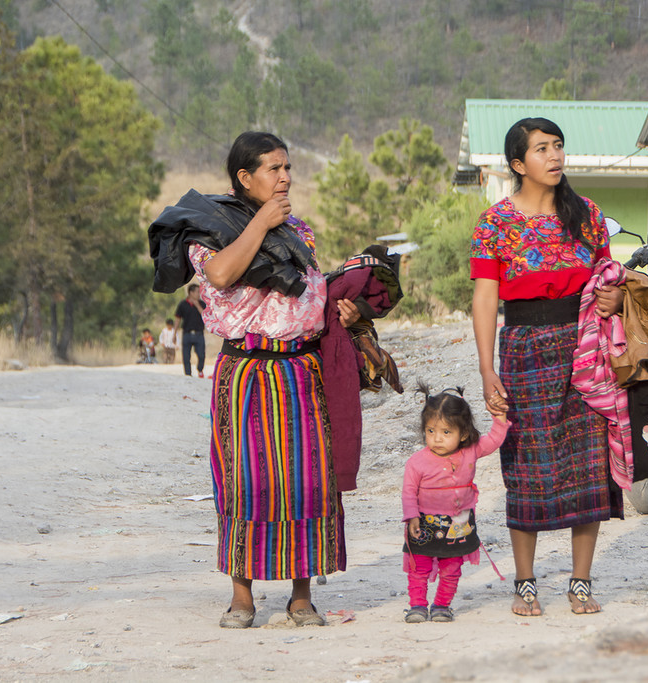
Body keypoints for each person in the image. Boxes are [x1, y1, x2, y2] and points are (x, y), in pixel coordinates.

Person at [176, 131, 359, 629]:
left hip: (301, 369)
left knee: (307, 481)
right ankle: (242, 597)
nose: (285, 177)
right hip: (247, 373)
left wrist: (345, 310)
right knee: (245, 481)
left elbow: (310, 299)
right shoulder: (208, 229)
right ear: (244, 177)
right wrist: (261, 223)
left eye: (287, 168)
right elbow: (219, 275)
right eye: (273, 169)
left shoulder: (298, 229)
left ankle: (301, 596)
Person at [470, 117, 625, 618]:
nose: (555, 156)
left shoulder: (588, 215)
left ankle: (580, 582)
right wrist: (486, 368)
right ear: (518, 164)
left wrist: (614, 296)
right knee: (527, 463)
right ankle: (525, 583)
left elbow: (609, 276)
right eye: (542, 149)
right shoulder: (495, 223)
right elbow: (485, 297)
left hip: (584, 349)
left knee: (589, 464)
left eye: (558, 146)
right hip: (524, 350)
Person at [401, 384, 508, 623]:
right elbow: (408, 492)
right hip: (424, 523)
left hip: (459, 523)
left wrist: (499, 418)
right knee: (419, 566)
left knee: (452, 567)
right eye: (431, 431)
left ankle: (442, 606)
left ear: (463, 433)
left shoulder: (470, 451)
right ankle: (417, 605)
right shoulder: (416, 462)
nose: (437, 438)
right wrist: (412, 517)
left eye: (446, 432)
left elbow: (494, 440)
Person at [174, 284, 206, 377]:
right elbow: (177, 319)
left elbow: (205, 316)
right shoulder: (182, 304)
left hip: (199, 334)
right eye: (197, 292)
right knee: (186, 356)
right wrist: (174, 334)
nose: (199, 294)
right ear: (191, 292)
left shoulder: (202, 304)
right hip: (187, 334)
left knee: (201, 355)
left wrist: (197, 305)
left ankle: (200, 369)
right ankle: (188, 374)